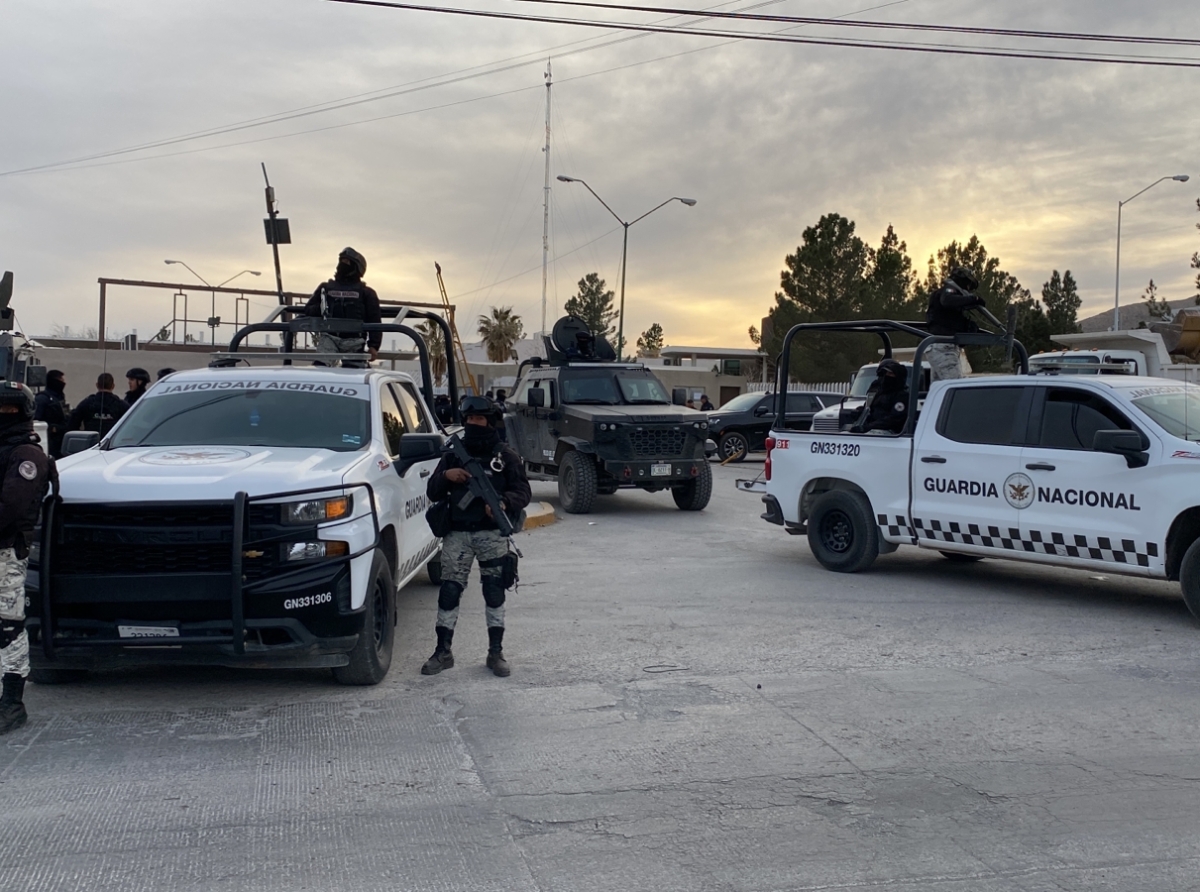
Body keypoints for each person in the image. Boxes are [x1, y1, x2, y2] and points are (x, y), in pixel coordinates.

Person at [422, 396, 531, 678]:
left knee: (494, 592)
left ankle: (496, 652)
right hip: (458, 534)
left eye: (479, 420)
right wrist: (447, 474)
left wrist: (504, 503)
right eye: (469, 420)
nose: (473, 424)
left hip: (491, 535)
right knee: (449, 592)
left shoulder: (505, 456)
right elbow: (432, 491)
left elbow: (523, 492)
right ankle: (442, 652)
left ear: (489, 421)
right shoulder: (453, 454)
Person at [0, 382, 53, 735]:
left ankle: (12, 703)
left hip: (6, 553)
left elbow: (12, 508)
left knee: (8, 627)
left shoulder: (27, 456)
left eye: (8, 409)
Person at [303, 247, 382, 366]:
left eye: (347, 262)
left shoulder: (366, 293)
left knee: (353, 372)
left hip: (354, 341)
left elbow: (374, 320)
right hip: (329, 338)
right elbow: (308, 309)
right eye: (342, 261)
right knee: (319, 369)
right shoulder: (326, 288)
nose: (343, 265)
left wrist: (373, 346)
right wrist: (322, 308)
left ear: (357, 267)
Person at [925, 267, 983, 381]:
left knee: (940, 390)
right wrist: (974, 299)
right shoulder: (948, 291)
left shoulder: (945, 296)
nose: (968, 288)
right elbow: (948, 301)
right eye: (968, 285)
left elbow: (949, 317)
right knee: (955, 386)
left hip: (942, 346)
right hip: (943, 348)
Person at [856, 359, 910, 435]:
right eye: (886, 373)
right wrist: (859, 412)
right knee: (845, 434)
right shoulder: (877, 391)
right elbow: (869, 409)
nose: (887, 376)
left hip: (890, 432)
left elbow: (894, 419)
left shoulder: (902, 395)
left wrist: (869, 427)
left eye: (891, 374)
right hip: (872, 428)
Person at [33, 369, 69, 458]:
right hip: (49, 441)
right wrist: (52, 428)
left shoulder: (59, 398)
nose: (64, 384)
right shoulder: (42, 399)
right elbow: (36, 421)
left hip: (60, 441)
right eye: (62, 381)